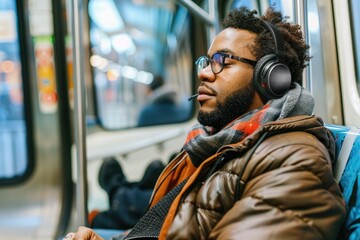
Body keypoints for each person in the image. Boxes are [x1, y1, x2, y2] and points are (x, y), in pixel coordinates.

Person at [65, 6, 346, 240]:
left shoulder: (293, 159)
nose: (204, 74)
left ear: (271, 78)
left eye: (222, 61)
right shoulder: (215, 147)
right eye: (206, 61)